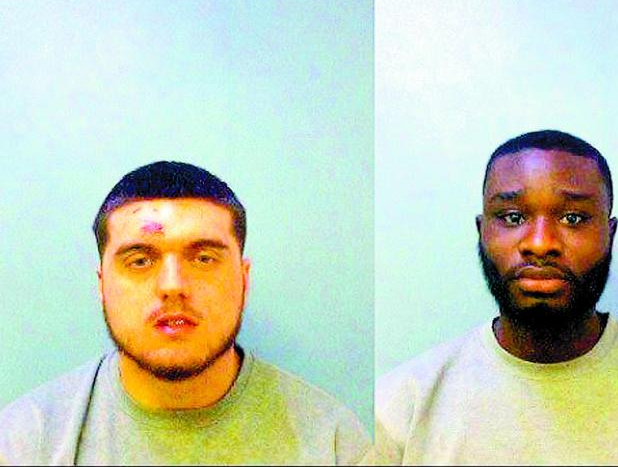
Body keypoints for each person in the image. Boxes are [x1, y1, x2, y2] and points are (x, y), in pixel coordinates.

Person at [372, 130, 618, 465]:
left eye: (573, 218)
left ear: (610, 234)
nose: (540, 244)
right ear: (482, 232)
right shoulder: (401, 408)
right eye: (513, 217)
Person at [0, 161, 370, 465]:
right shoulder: (24, 442)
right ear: (102, 285)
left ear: (243, 279)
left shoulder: (334, 443)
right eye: (140, 260)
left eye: (204, 258)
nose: (173, 285)